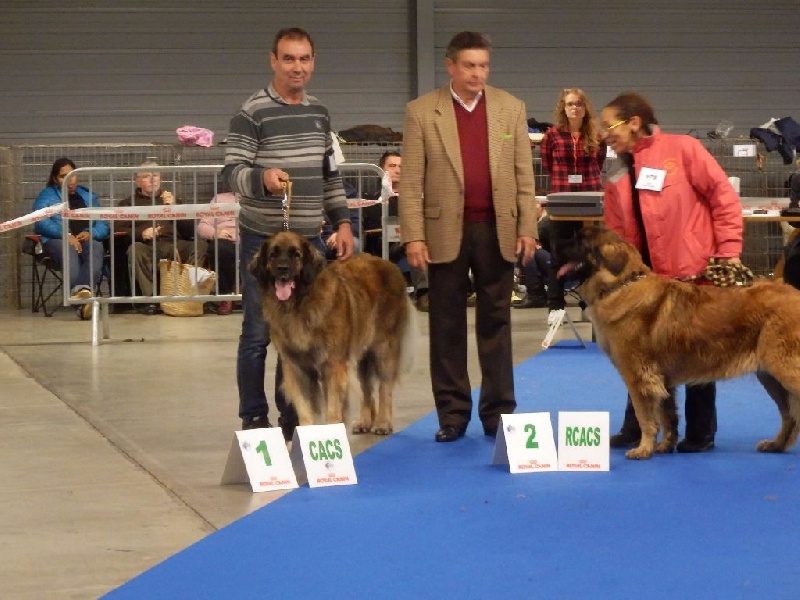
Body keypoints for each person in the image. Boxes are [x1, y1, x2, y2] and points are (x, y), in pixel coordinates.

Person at [399, 31, 537, 442]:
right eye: (469, 65)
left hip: (498, 229)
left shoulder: (511, 108)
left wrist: (527, 227)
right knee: (446, 326)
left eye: (483, 65)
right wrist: (413, 236)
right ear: (451, 66)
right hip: (443, 231)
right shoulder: (421, 112)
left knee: (497, 323)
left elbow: (524, 176)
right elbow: (410, 182)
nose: (478, 73)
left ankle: (499, 413)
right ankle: (452, 415)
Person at [222, 27, 354, 438]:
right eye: (289, 58)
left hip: (310, 244)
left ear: (313, 62)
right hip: (264, 243)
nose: (297, 67)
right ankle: (253, 416)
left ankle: (293, 415)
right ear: (273, 61)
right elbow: (231, 171)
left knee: (302, 336)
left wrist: (343, 222)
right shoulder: (251, 113)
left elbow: (330, 175)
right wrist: (262, 178)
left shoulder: (320, 113)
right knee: (257, 334)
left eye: (304, 59)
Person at [600, 91, 744, 453]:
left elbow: (723, 198)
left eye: (609, 126)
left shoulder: (683, 149)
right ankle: (639, 428)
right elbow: (614, 226)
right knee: (638, 356)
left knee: (696, 352)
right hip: (643, 282)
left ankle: (700, 432)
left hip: (693, 274)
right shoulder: (615, 167)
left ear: (634, 123)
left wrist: (728, 251)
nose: (605, 134)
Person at [539, 88, 607, 323]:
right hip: (562, 202)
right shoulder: (552, 136)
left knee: (591, 255)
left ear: (585, 108)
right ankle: (555, 307)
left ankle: (589, 305)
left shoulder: (597, 136)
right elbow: (547, 164)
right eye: (570, 104)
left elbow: (599, 162)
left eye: (579, 103)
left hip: (590, 202)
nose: (575, 108)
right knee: (558, 256)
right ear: (563, 108)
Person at [117, 160, 205, 315]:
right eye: (146, 176)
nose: (152, 180)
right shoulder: (127, 203)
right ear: (138, 181)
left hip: (174, 244)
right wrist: (141, 233)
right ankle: (150, 300)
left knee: (200, 246)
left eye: (156, 175)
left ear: (161, 178)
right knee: (136, 249)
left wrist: (175, 208)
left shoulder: (172, 199)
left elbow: (191, 230)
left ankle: (186, 293)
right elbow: (118, 229)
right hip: (147, 246)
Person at [33, 158, 109, 320]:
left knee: (96, 247)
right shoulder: (47, 195)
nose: (70, 180)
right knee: (68, 249)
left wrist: (92, 232)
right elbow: (40, 221)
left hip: (85, 239)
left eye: (72, 175)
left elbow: (103, 222)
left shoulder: (88, 196)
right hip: (57, 240)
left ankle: (80, 295)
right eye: (63, 176)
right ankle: (82, 302)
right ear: (55, 179)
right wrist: (65, 235)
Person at [364, 151, 430, 311]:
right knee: (414, 238)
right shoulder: (371, 198)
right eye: (392, 166)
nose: (398, 170)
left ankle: (427, 293)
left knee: (418, 240)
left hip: (409, 242)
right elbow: (371, 230)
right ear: (381, 169)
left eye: (401, 166)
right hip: (382, 245)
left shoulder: (418, 199)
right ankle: (424, 294)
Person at [197, 182, 238, 315]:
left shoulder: (259, 200)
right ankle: (226, 297)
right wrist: (215, 233)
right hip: (226, 241)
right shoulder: (219, 199)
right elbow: (202, 226)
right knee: (219, 248)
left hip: (250, 239)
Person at [513, 200, 551, 308]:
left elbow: (532, 235)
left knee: (527, 249)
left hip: (559, 264)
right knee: (529, 249)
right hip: (553, 260)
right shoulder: (543, 221)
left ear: (541, 209)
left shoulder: (546, 221)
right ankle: (536, 294)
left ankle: (535, 295)